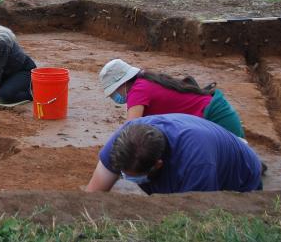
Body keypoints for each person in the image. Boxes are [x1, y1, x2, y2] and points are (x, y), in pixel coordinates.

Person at [85, 113, 262, 194]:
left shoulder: (197, 163)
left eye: (133, 176)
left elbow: (198, 220)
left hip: (241, 178)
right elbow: (93, 194)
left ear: (158, 164)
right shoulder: (123, 141)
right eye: (123, 173)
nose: (124, 177)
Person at [99, 58, 245, 137]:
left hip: (216, 119)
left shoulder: (138, 90)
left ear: (122, 83)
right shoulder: (144, 82)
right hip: (219, 116)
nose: (114, 97)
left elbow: (130, 130)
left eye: (113, 92)